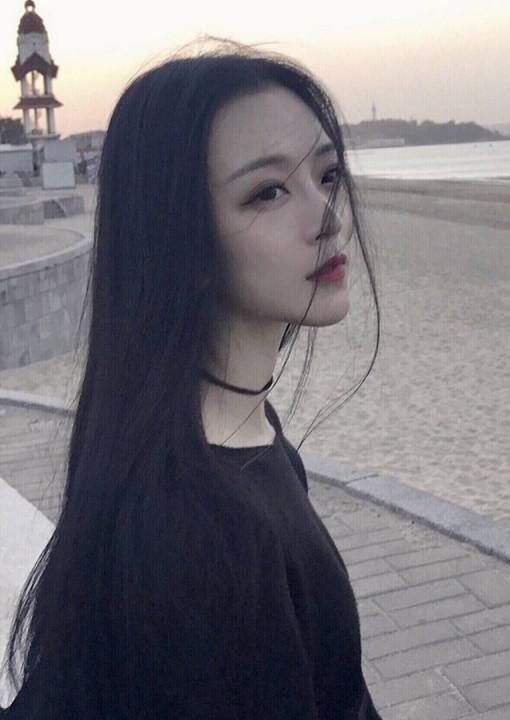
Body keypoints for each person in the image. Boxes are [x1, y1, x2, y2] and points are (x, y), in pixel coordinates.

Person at [1, 40, 381, 719]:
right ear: (178, 236)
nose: (329, 218)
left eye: (328, 175)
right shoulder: (193, 540)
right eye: (268, 192)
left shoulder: (232, 432)